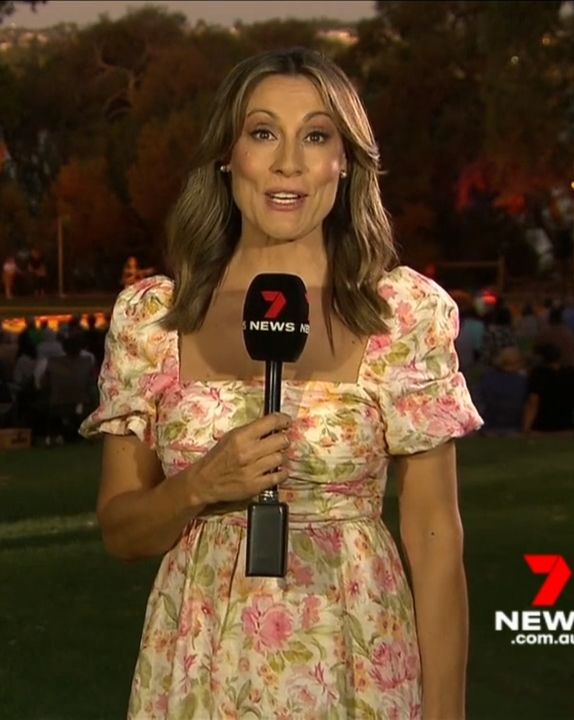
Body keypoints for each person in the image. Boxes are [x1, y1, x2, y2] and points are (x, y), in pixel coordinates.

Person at [80, 47, 482, 720]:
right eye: (263, 133)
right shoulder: (152, 319)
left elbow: (435, 535)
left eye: (316, 136)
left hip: (356, 665)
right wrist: (199, 485)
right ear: (227, 155)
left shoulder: (403, 316)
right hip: (201, 670)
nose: (288, 162)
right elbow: (123, 533)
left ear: (344, 162)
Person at [523, 343, 574, 434]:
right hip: (566, 425)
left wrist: (526, 427)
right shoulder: (569, 372)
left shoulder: (538, 373)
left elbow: (533, 402)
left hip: (542, 426)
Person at [478, 346, 528, 436]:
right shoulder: (522, 381)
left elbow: (480, 401)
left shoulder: (488, 379)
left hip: (490, 425)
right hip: (514, 426)